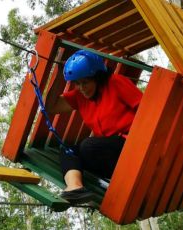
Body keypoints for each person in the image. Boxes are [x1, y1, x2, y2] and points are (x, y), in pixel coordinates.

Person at [47, 50, 143, 204]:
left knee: (88, 146)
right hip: (108, 158)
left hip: (131, 147)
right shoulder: (79, 97)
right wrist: (58, 74)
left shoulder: (116, 83)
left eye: (85, 82)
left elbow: (145, 111)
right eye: (77, 83)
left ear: (98, 77)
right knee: (68, 150)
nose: (81, 88)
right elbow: (51, 107)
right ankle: (75, 188)